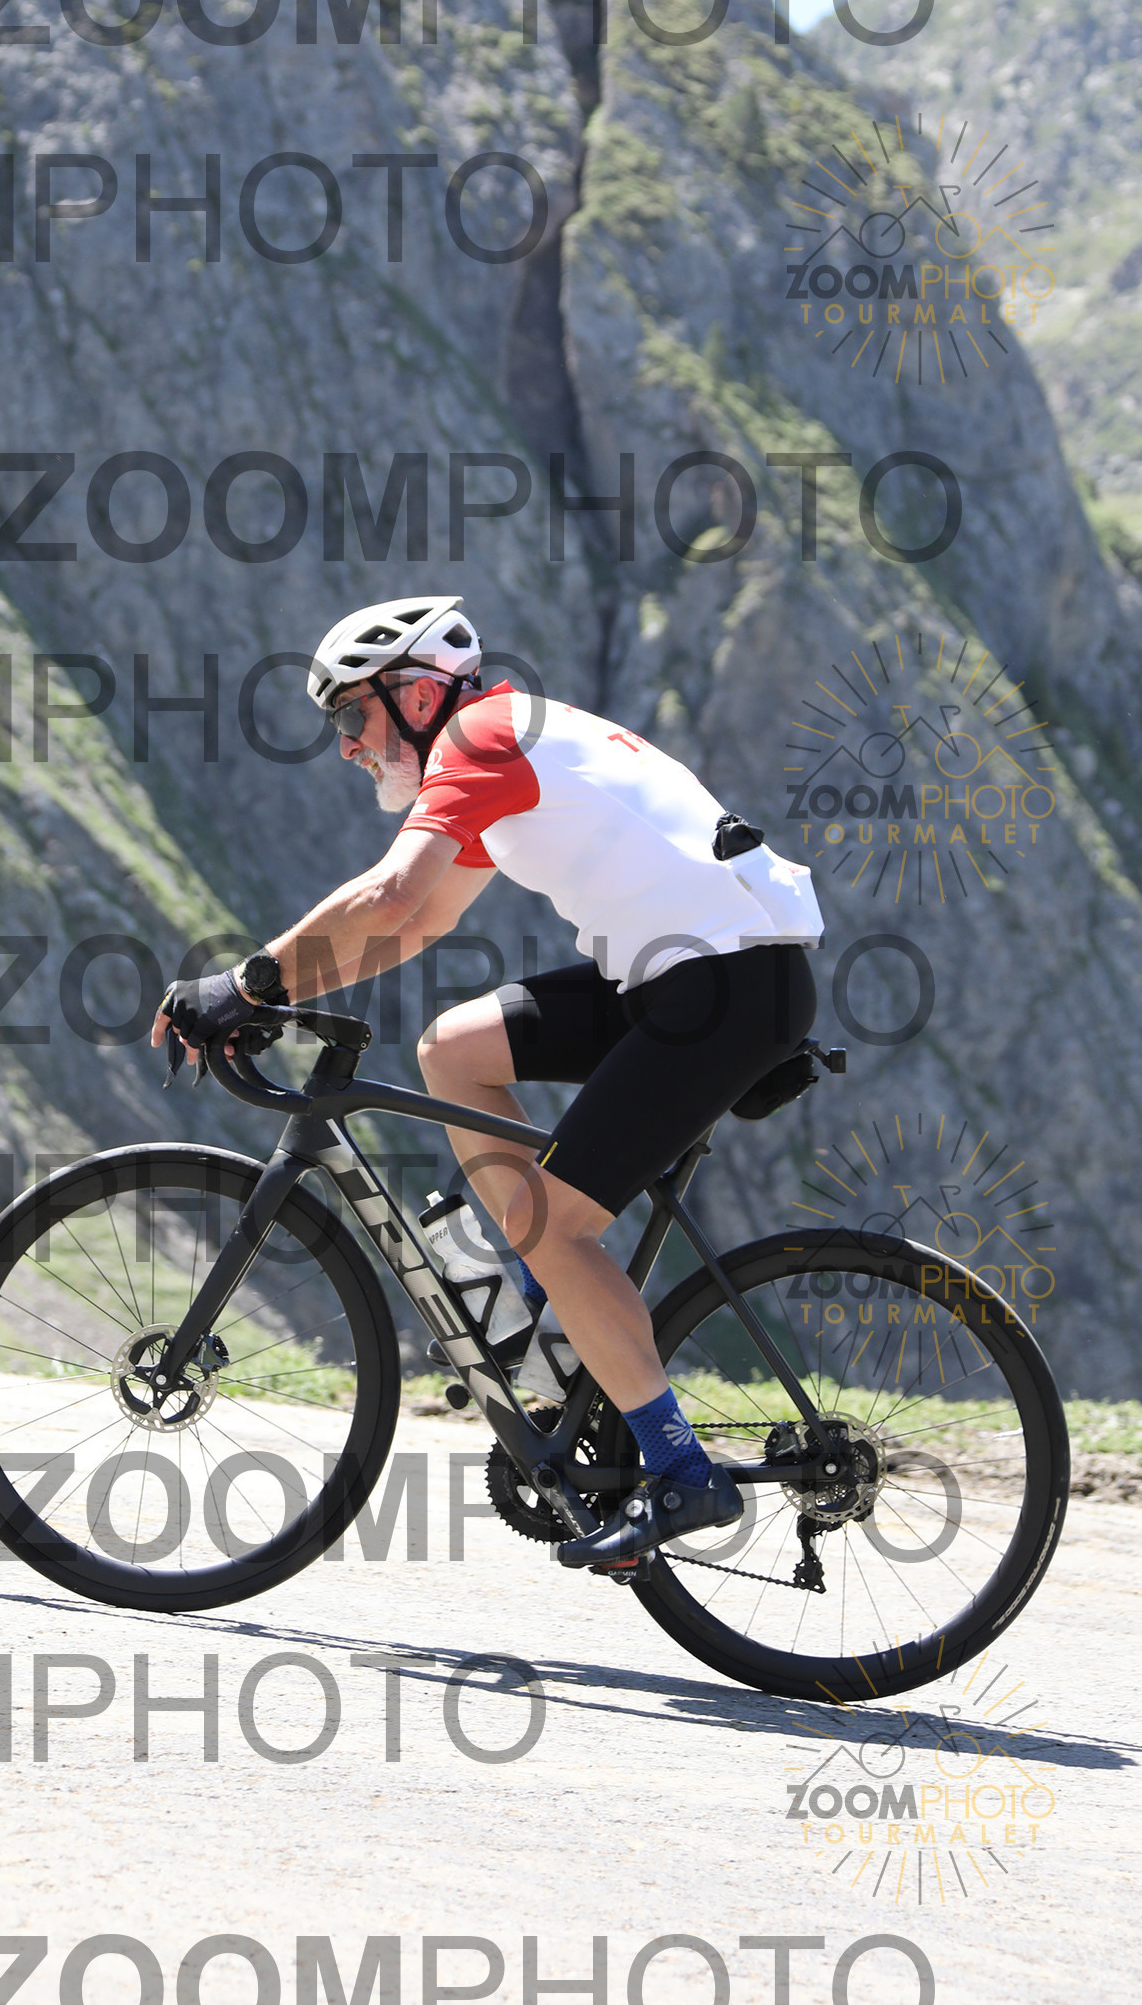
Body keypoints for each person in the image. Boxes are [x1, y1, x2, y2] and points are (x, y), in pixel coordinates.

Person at [152, 595, 823, 1569]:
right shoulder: (498, 737)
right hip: (695, 974)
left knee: (558, 1225)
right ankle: (552, 1335)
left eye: (353, 715)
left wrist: (243, 983)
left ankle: (682, 1471)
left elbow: (390, 892)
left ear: (418, 695)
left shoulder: (480, 737)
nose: (346, 745)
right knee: (455, 1049)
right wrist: (279, 994)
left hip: (723, 986)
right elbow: (418, 923)